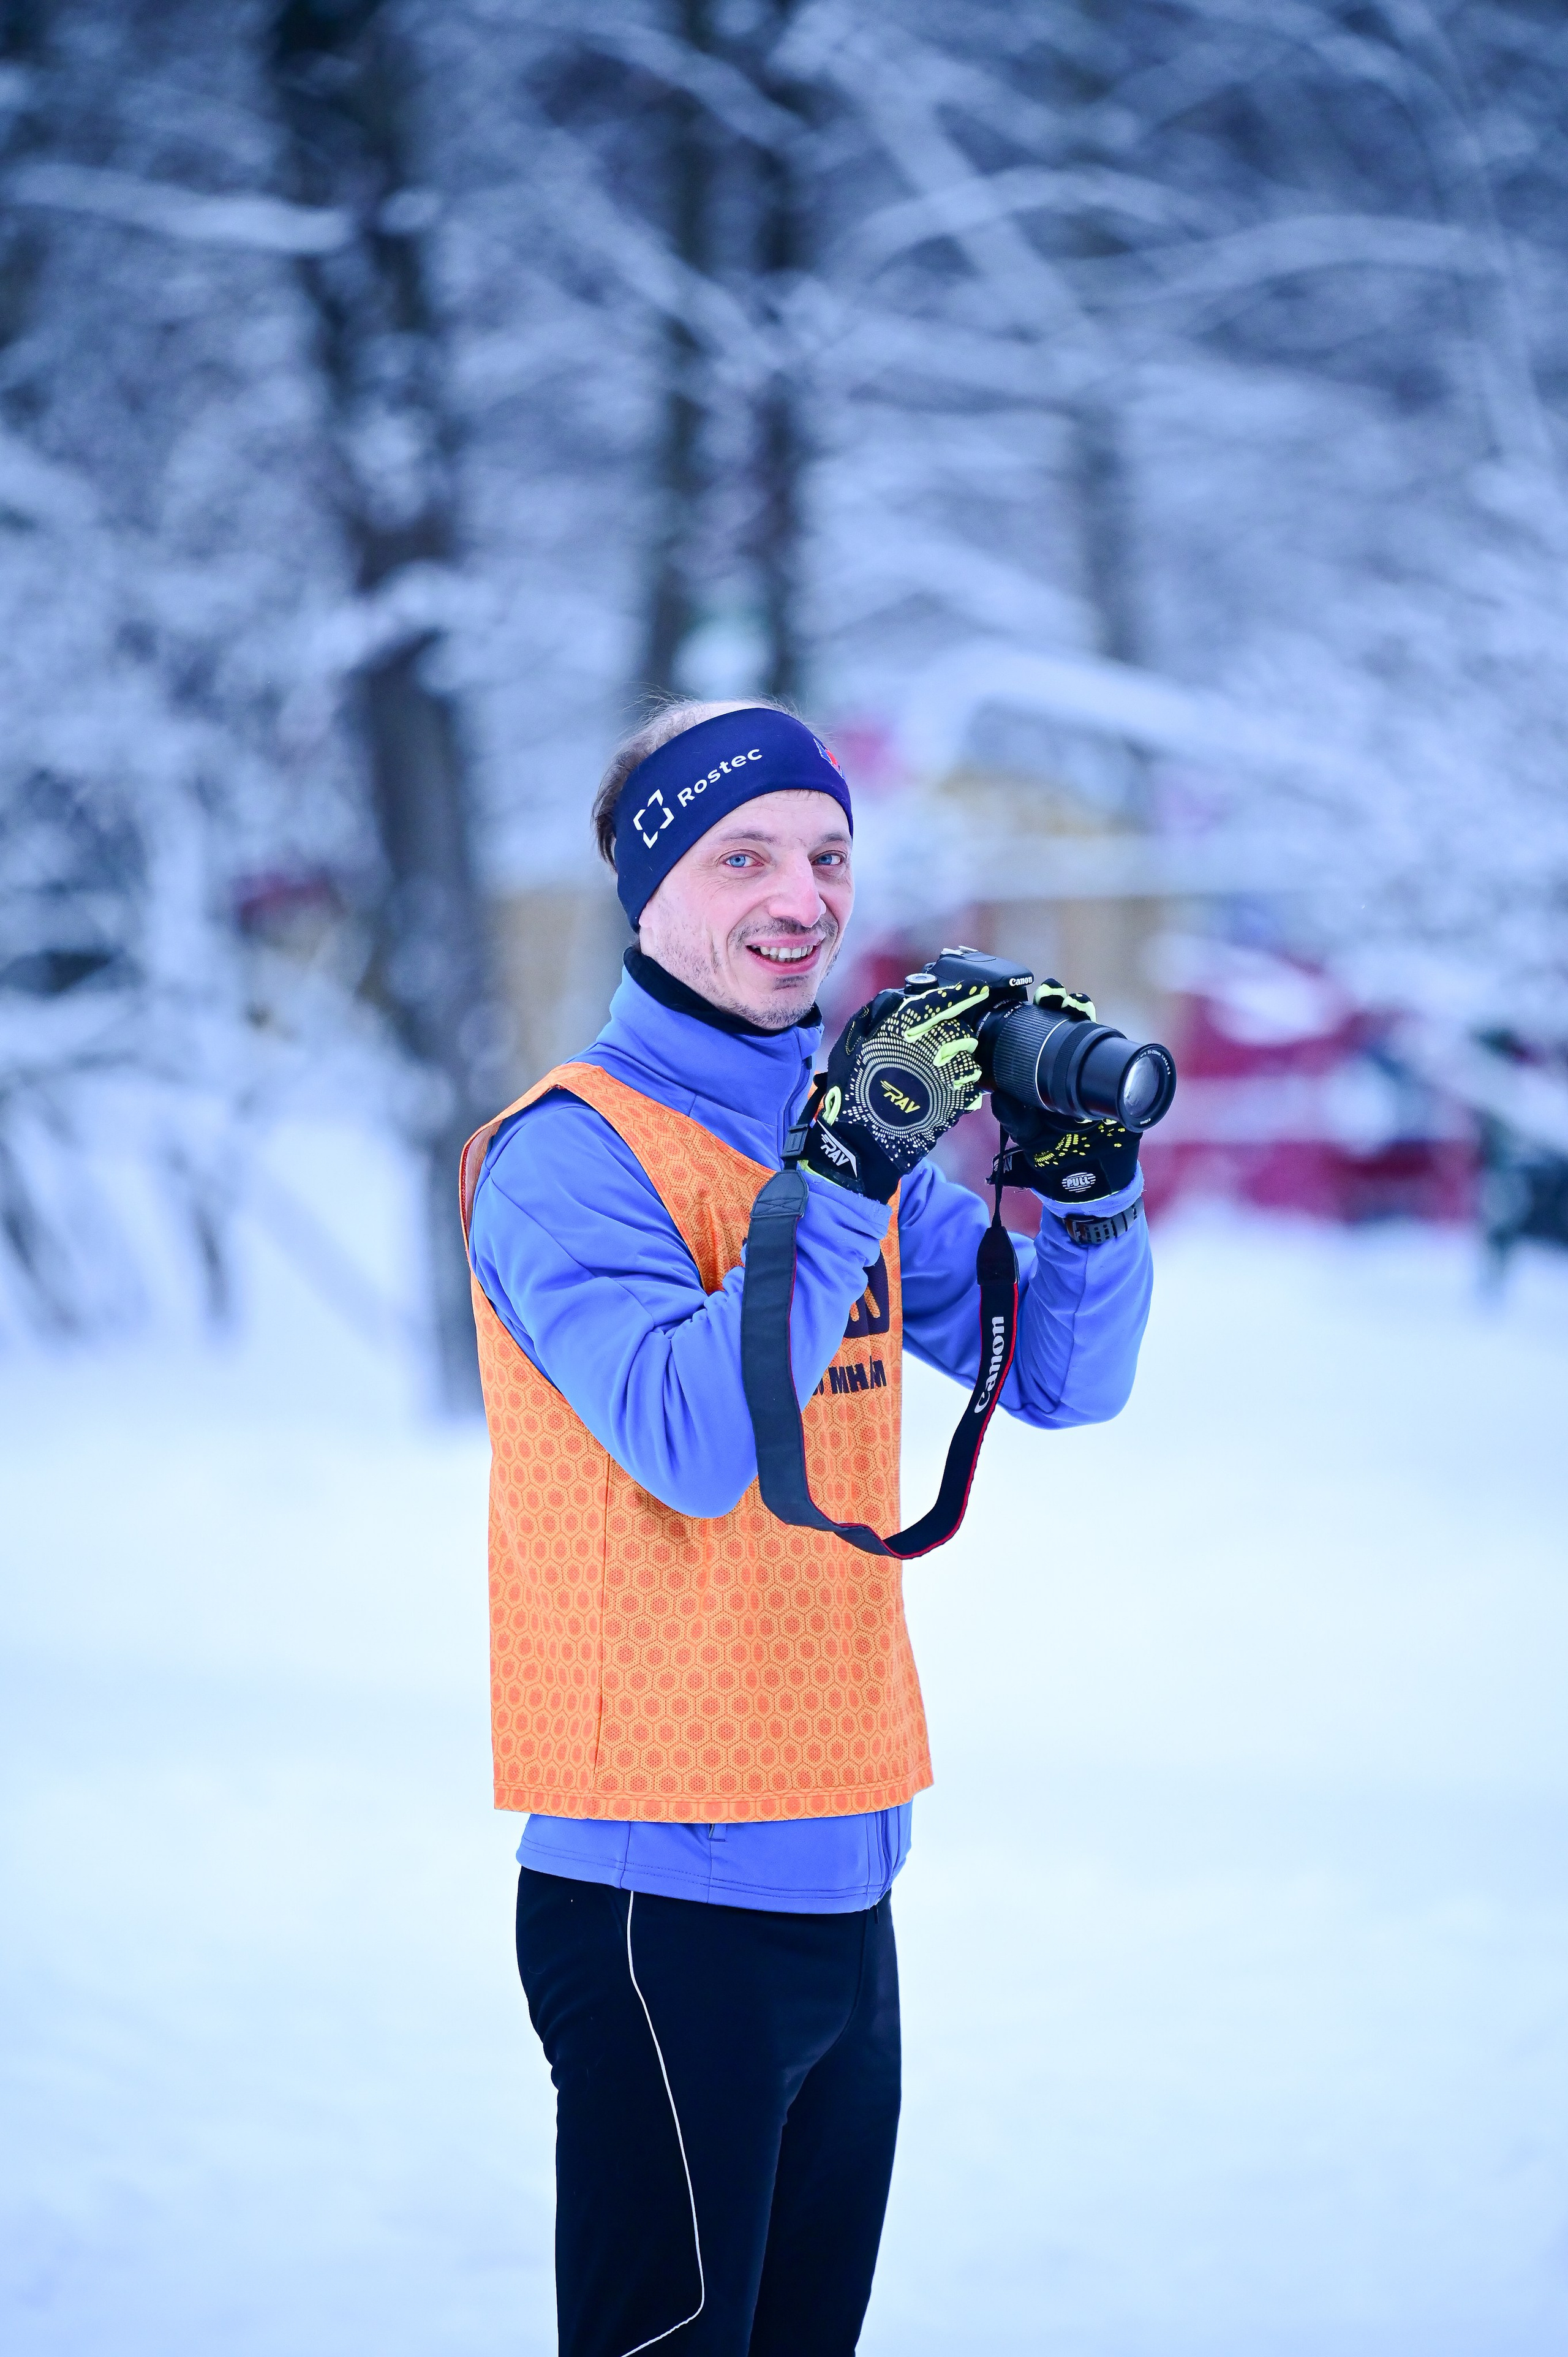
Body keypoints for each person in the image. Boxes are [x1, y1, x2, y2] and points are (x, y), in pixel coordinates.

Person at [462, 698, 1152, 2357]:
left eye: (829, 854)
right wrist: (840, 1170)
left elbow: (1060, 1380)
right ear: (646, 893)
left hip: (847, 1866)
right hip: (660, 1892)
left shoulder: (852, 1127)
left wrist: (1090, 1181)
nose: (801, 895)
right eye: (743, 856)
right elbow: (698, 1443)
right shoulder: (567, 1158)